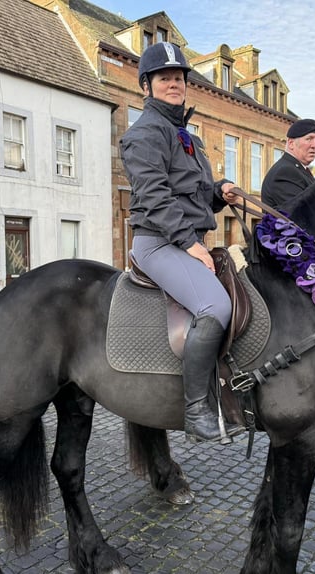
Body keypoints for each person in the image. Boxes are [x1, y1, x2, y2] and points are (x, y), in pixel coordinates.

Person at [120, 42, 242, 443]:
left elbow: (194, 192)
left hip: (184, 239)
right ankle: (195, 410)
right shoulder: (144, 134)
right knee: (216, 305)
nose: (174, 84)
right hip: (158, 243)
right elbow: (154, 195)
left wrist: (219, 190)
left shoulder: (184, 134)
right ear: (148, 85)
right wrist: (191, 244)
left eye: (179, 78)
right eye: (165, 78)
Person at [261, 118, 315, 211]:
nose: (314, 145)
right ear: (291, 143)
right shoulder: (285, 172)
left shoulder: (298, 169)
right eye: (309, 139)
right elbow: (304, 214)